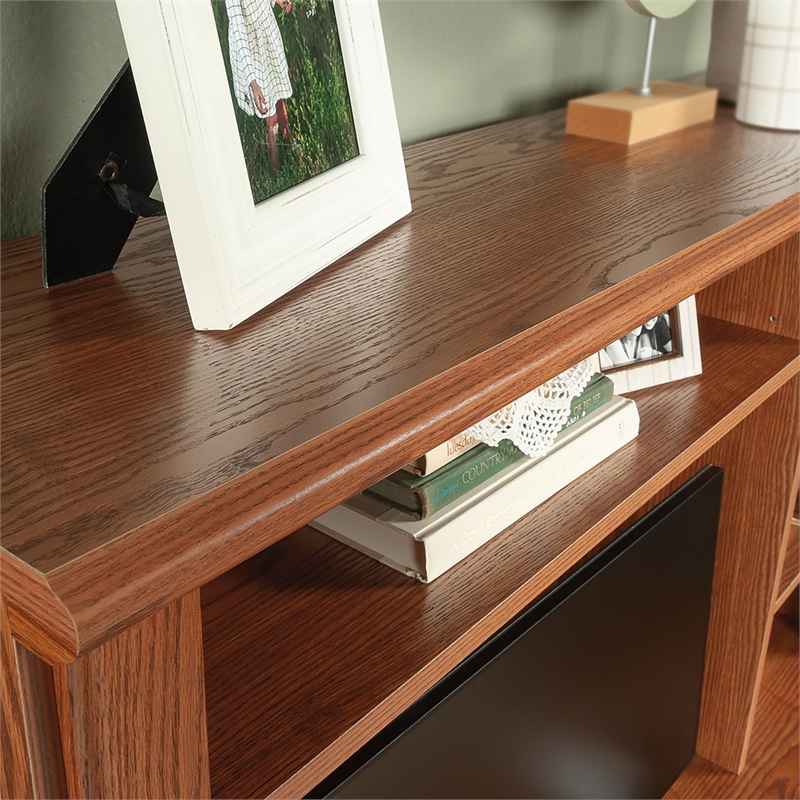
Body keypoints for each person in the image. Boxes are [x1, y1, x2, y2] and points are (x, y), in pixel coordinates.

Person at [225, 0, 294, 170]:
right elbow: (239, 33)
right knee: (270, 111)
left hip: (268, 33)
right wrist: (252, 81)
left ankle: (290, 144)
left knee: (279, 96)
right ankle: (276, 168)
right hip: (252, 49)